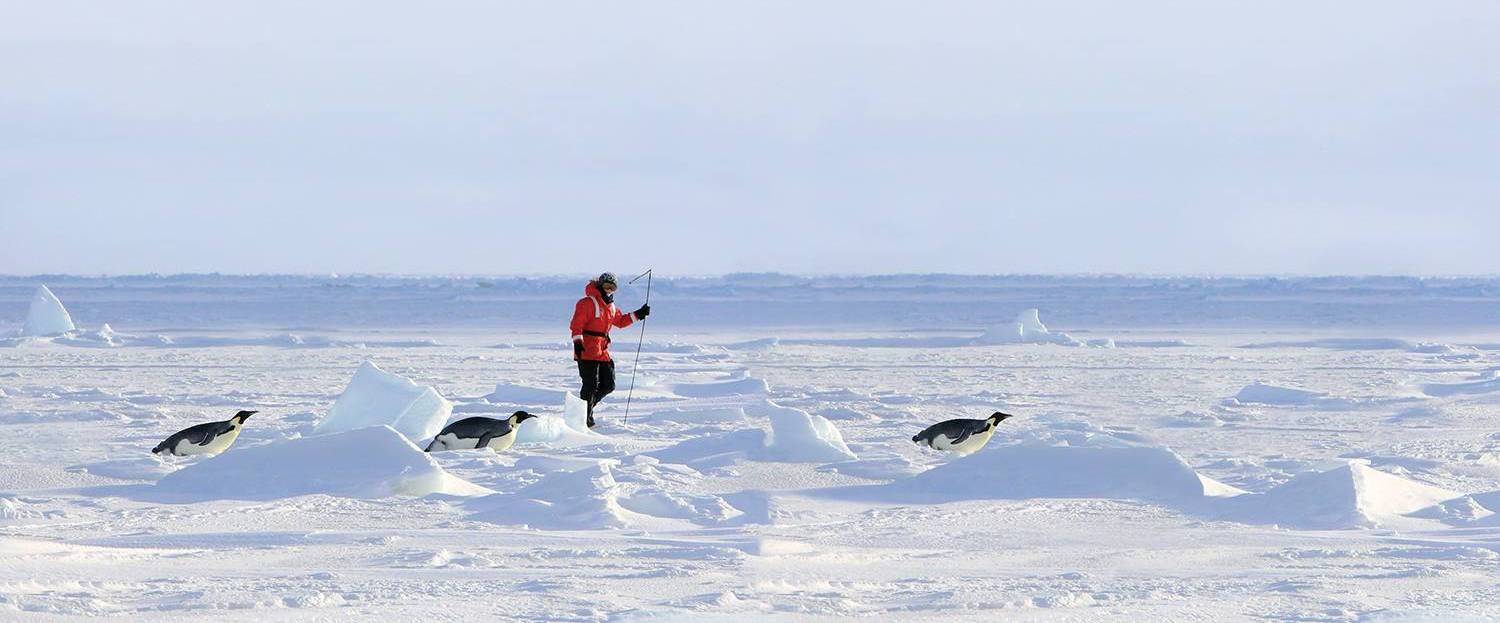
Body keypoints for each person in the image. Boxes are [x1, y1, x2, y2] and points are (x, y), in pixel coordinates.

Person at [570, 272, 650, 428]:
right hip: (586, 349)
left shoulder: (611, 306)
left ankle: (583, 410)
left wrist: (639, 314)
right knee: (590, 386)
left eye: (612, 288)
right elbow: (576, 325)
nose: (609, 290)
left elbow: (620, 321)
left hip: (602, 351)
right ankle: (585, 419)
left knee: (608, 385)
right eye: (607, 286)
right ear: (600, 285)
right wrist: (578, 343)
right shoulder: (586, 303)